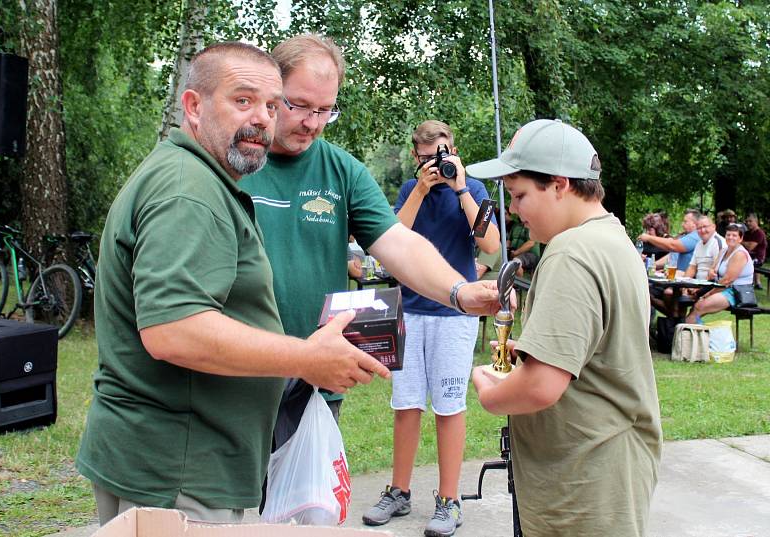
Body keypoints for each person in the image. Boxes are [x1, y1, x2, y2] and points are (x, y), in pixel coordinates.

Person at [75, 42, 392, 526]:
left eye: (270, 104)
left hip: (174, 460)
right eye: (243, 100)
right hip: (180, 469)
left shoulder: (197, 177)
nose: (263, 119)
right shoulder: (189, 191)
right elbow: (174, 330)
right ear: (194, 106)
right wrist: (306, 359)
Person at [239, 35, 500, 445]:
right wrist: (419, 191)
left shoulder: (343, 171)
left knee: (308, 509)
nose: (312, 122)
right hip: (236, 383)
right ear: (271, 92)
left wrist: (459, 291)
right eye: (300, 105)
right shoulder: (236, 159)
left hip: (315, 385)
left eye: (326, 110)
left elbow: (400, 243)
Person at [467, 119, 662, 537]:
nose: (514, 209)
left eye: (519, 195)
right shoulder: (612, 240)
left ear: (559, 184)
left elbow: (539, 388)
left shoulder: (570, 253)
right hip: (609, 472)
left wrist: (491, 390)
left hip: (584, 483)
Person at [359, 120, 499, 536]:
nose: (433, 164)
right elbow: (388, 237)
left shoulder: (472, 190)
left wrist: (459, 188)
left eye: (439, 155)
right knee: (405, 403)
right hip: (410, 309)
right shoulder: (409, 189)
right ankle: (398, 491)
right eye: (424, 158)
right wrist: (420, 188)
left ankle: (449, 500)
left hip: (455, 314)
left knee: (449, 405)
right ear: (415, 157)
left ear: (452, 150)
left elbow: (490, 244)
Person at [686, 223, 754, 323]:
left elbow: (727, 280)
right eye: (728, 235)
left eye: (734, 235)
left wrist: (709, 293)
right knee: (694, 305)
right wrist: (710, 272)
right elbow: (713, 269)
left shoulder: (739, 254)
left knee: (700, 306)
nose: (730, 237)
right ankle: (691, 333)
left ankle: (690, 335)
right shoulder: (723, 251)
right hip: (721, 288)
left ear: (740, 238)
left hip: (735, 292)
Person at [742, 213, 766, 289]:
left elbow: (750, 247)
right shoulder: (747, 233)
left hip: (757, 259)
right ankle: (755, 283)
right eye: (747, 221)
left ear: (756, 221)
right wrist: (744, 243)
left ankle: (748, 283)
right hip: (748, 256)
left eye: (750, 221)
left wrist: (741, 242)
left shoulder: (759, 233)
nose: (748, 223)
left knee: (741, 264)